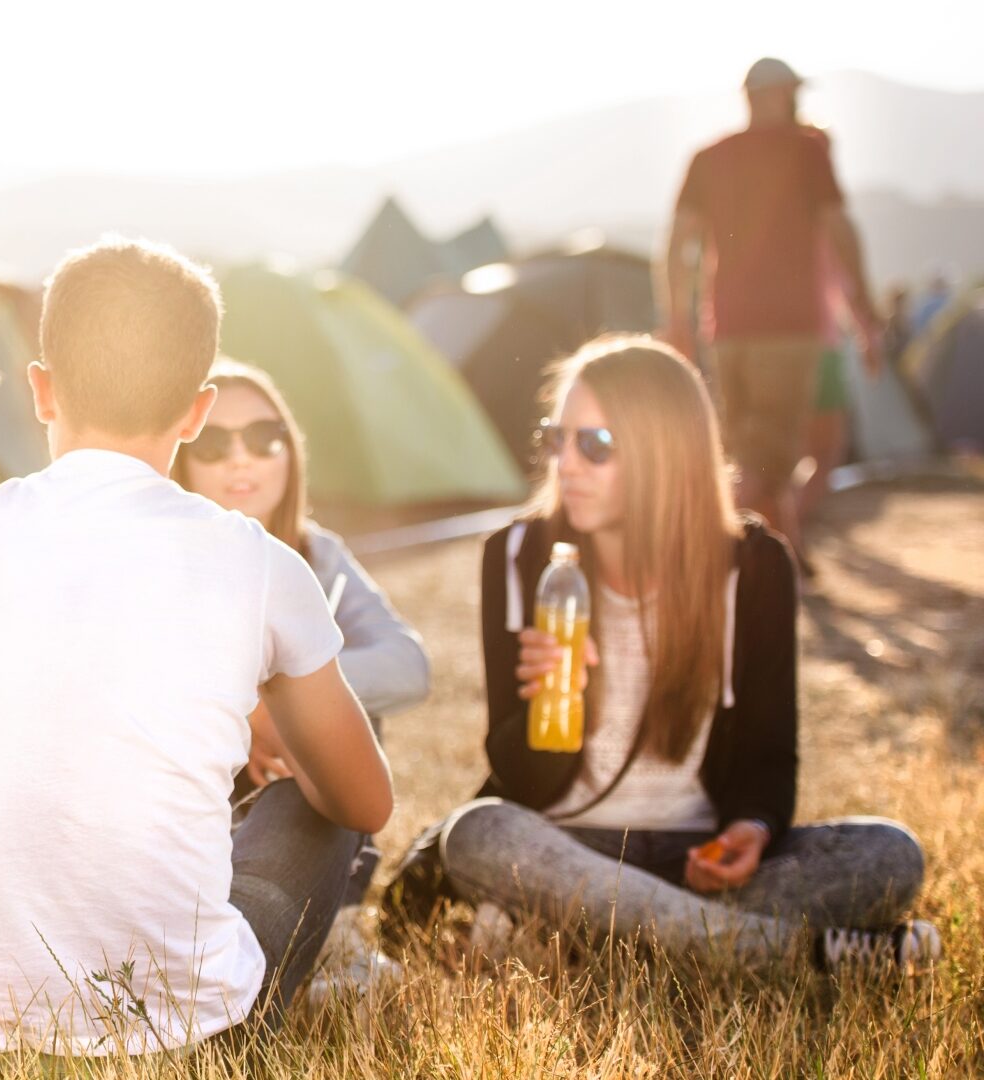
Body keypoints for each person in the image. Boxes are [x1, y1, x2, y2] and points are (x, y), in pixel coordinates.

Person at [0, 237, 394, 1060]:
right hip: (183, 1043)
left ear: (42, 391)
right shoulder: (257, 561)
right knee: (314, 806)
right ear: (197, 411)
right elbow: (367, 806)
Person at [382, 334, 940, 977]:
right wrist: (558, 711)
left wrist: (750, 830)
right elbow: (519, 779)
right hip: (560, 848)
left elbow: (768, 755)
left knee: (889, 855)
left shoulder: (755, 568)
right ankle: (791, 956)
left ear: (665, 452)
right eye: (554, 439)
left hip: (695, 862)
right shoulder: (517, 559)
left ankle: (594, 944)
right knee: (478, 836)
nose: (567, 463)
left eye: (595, 446)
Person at [170, 357, 428, 996]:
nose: (242, 459)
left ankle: (332, 925)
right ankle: (261, 942)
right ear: (179, 457)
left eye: (264, 438)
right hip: (195, 826)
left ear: (291, 451)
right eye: (213, 442)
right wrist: (243, 711)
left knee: (348, 711)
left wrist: (285, 701)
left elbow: (407, 665)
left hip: (296, 801)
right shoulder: (165, 556)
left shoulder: (320, 554)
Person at [660, 58, 882, 556]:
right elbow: (841, 233)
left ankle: (780, 561)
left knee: (748, 453)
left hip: (728, 329)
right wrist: (866, 313)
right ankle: (701, 549)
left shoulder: (708, 156)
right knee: (769, 463)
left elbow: (676, 245)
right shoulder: (806, 152)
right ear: (782, 94)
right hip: (790, 329)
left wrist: (678, 318)